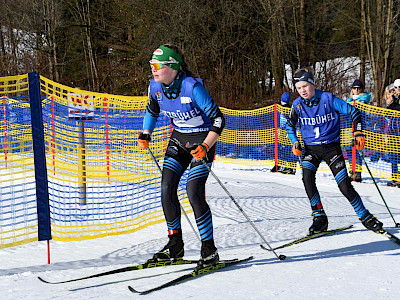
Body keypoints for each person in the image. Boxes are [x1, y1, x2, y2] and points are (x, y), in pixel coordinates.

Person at [137, 44, 225, 266]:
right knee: (167, 188)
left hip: (202, 141)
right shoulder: (154, 87)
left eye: (158, 65)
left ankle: (209, 248)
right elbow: (152, 110)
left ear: (173, 66)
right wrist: (146, 133)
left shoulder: (192, 87)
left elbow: (219, 120)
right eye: (151, 66)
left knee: (193, 191)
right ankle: (175, 244)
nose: (154, 70)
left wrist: (206, 145)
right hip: (178, 141)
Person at [286, 68, 383, 234]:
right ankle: (319, 218)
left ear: (312, 84)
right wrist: (295, 142)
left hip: (331, 148)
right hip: (311, 149)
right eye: (299, 87)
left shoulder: (327, 98)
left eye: (305, 86)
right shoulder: (298, 105)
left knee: (344, 185)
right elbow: (289, 125)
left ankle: (365, 216)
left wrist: (358, 132)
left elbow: (353, 112)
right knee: (307, 178)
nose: (302, 90)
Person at [346, 79, 371, 182]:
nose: (356, 90)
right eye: (354, 88)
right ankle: (352, 171)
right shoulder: (350, 100)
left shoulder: (363, 99)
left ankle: (358, 172)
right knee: (349, 149)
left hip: (360, 127)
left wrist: (355, 102)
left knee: (357, 148)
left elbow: (360, 109)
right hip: (349, 127)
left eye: (358, 88)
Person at [271, 92, 296, 175]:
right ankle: (281, 165)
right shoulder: (283, 108)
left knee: (286, 149)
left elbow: (288, 120)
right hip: (284, 131)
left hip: (287, 132)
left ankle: (289, 167)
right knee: (283, 149)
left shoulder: (286, 109)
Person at [384, 83, 400, 187]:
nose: (397, 89)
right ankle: (395, 178)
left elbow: (398, 108)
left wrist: (392, 104)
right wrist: (388, 105)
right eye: (396, 88)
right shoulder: (394, 98)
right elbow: (387, 113)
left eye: (399, 88)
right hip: (393, 131)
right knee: (393, 155)